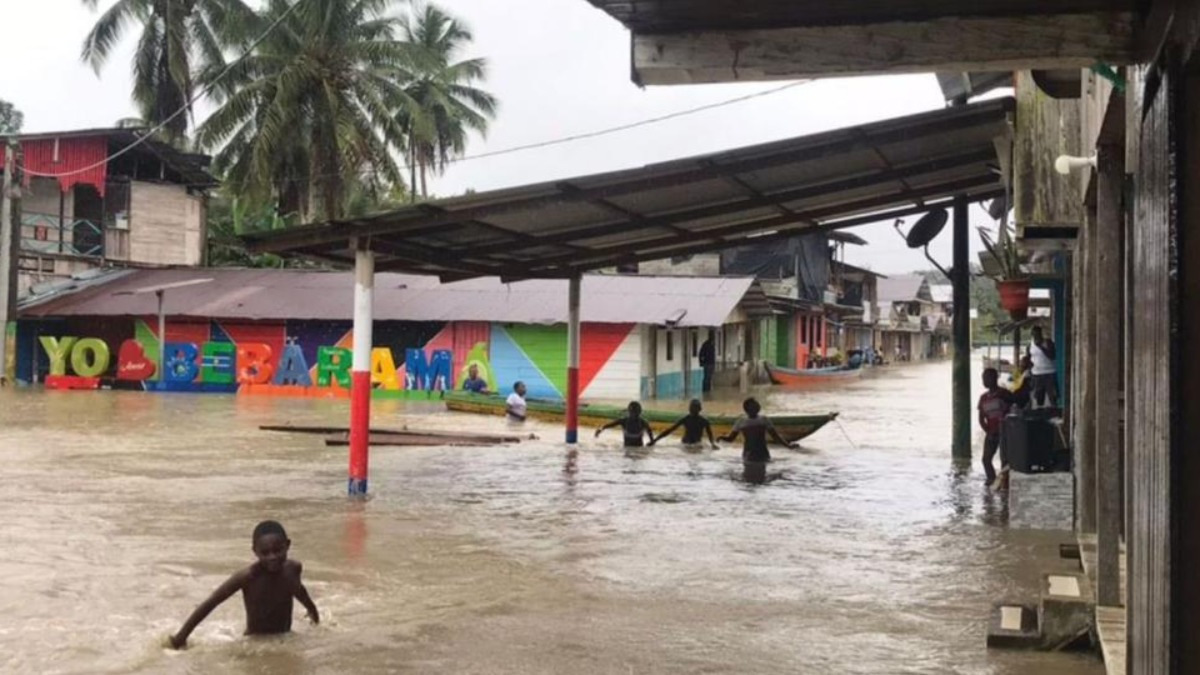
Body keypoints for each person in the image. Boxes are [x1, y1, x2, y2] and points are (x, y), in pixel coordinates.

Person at [168, 521, 318, 649]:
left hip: (286, 638)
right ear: (255, 551)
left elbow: (298, 589)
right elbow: (211, 602)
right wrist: (181, 637)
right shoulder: (248, 577)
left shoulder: (293, 568)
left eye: (277, 550)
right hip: (256, 644)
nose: (272, 557)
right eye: (265, 553)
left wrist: (313, 611)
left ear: (287, 545)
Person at [719, 397, 798, 483]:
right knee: (749, 475)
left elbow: (775, 436)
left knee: (761, 475)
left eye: (757, 405)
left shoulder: (764, 419)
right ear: (747, 409)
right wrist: (722, 438)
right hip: (749, 453)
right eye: (754, 405)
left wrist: (788, 446)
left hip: (762, 452)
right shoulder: (741, 421)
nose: (757, 406)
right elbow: (731, 438)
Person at [978, 368, 1015, 487]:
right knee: (986, 459)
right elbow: (981, 417)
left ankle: (1005, 483)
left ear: (994, 378)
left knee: (1005, 459)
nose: (984, 380)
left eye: (987, 377)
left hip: (1005, 432)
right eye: (983, 378)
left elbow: (1014, 408)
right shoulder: (983, 398)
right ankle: (991, 480)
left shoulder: (1003, 393)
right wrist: (987, 430)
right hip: (991, 432)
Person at [652, 399, 718, 449]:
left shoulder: (704, 421)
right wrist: (655, 440)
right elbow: (670, 430)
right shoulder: (686, 419)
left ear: (699, 409)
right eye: (691, 407)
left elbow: (710, 436)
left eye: (694, 407)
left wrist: (713, 444)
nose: (691, 409)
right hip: (685, 444)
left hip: (697, 444)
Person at [1029, 326, 1059, 408]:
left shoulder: (1047, 342)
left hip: (1049, 373)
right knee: (1038, 398)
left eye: (1037, 334)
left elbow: (1052, 356)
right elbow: (1029, 358)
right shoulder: (1030, 345)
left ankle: (1054, 411)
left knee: (1052, 396)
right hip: (1037, 374)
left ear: (1040, 333)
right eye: (1034, 334)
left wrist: (1041, 347)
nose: (1035, 336)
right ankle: (1039, 414)